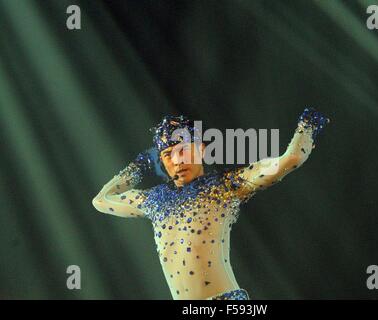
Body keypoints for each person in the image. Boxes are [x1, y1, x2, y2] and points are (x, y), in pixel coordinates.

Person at [92, 108, 330, 300]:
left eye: (184, 150)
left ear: (201, 149)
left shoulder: (226, 186)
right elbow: (101, 200)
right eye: (167, 154)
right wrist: (137, 167)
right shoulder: (154, 200)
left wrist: (306, 129)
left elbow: (290, 159)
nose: (177, 160)